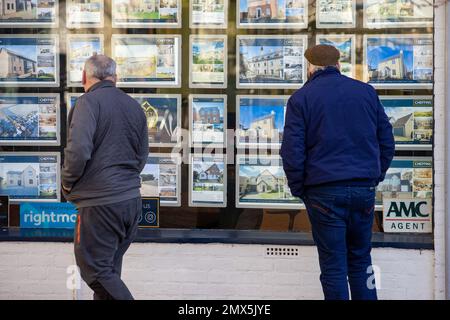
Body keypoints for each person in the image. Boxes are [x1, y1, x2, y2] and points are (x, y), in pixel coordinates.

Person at [280, 45, 395, 300]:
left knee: (333, 267)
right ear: (338, 65)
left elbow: (292, 152)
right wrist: (374, 176)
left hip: (323, 192)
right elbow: (387, 142)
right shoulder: (366, 92)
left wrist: (301, 189)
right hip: (363, 189)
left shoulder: (301, 98)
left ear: (309, 67)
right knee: (361, 259)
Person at [62, 55, 149, 300]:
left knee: (95, 271)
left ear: (84, 78)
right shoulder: (133, 105)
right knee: (109, 272)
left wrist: (67, 182)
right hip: (130, 203)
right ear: (115, 78)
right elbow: (142, 155)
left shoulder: (87, 103)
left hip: (100, 205)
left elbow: (78, 150)